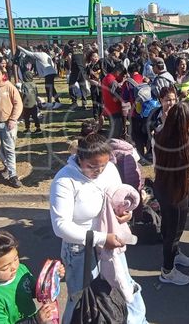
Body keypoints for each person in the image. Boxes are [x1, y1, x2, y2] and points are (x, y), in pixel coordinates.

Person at [50, 134, 147, 323]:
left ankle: (138, 321)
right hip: (80, 249)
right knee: (81, 299)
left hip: (111, 241)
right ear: (80, 158)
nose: (99, 171)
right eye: (92, 166)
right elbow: (60, 226)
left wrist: (126, 213)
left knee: (124, 286)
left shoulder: (110, 169)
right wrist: (101, 238)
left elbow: (118, 197)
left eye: (103, 165)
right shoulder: (65, 180)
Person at [154, 102, 189, 285]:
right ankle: (167, 271)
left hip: (161, 188)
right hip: (177, 195)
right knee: (173, 234)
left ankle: (175, 255)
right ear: (186, 123)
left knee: (167, 228)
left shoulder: (158, 135)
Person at [0, 230, 61, 324]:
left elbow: (36, 290)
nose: (14, 267)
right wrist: (35, 320)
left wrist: (53, 276)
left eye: (16, 259)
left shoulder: (20, 270)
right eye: (5, 267)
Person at [101, 63, 127, 140]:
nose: (122, 78)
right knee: (116, 134)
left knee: (113, 131)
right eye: (122, 75)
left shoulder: (106, 78)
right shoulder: (113, 82)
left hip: (109, 108)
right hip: (115, 111)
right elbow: (115, 98)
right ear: (118, 72)